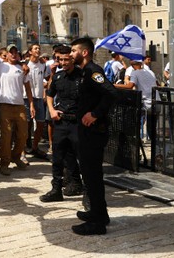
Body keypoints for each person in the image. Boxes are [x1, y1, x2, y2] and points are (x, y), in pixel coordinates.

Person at [70, 37, 118, 235]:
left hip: (93, 133)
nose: (71, 54)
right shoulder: (84, 72)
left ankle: (97, 223)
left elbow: (112, 93)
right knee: (90, 176)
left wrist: (95, 114)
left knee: (93, 176)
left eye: (74, 51)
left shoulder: (93, 71)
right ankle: (99, 213)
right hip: (87, 133)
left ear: (84, 52)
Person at [40, 46, 83, 203]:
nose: (63, 63)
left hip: (78, 123)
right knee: (58, 157)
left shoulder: (83, 76)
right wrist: (52, 110)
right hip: (62, 122)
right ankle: (56, 189)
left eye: (66, 59)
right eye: (60, 60)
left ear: (72, 59)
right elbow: (50, 95)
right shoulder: (58, 77)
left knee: (82, 157)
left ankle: (86, 192)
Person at [0, 44, 35, 175]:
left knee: (24, 134)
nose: (12, 54)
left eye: (15, 52)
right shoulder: (0, 66)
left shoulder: (22, 68)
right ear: (6, 54)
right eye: (10, 52)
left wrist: (32, 104)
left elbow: (28, 87)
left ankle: (16, 156)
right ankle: (4, 163)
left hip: (19, 106)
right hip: (5, 105)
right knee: (6, 137)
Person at [25, 43, 51, 159]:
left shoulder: (43, 65)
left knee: (40, 123)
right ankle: (25, 148)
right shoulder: (25, 64)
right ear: (30, 51)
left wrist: (47, 90)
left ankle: (35, 147)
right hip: (26, 98)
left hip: (39, 97)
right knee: (27, 124)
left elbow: (48, 78)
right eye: (35, 48)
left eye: (39, 48)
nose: (38, 50)